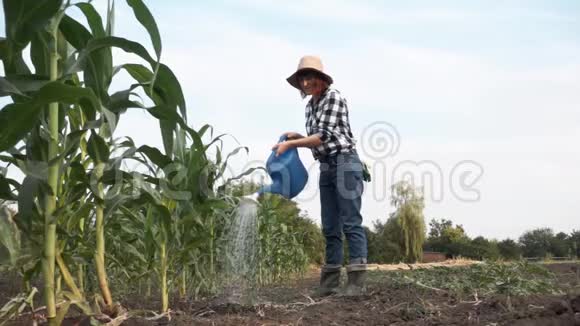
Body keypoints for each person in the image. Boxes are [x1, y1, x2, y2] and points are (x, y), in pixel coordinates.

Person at [272, 55, 368, 296]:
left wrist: (291, 145)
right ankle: (330, 283)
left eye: (311, 77)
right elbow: (315, 137)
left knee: (350, 221)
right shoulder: (310, 106)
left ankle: (356, 283)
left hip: (345, 162)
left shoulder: (333, 97)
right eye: (303, 78)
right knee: (330, 226)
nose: (306, 83)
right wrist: (296, 135)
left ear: (322, 79)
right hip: (326, 166)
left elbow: (322, 137)